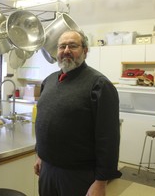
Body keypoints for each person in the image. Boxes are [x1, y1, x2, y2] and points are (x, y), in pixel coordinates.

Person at [34, 30, 122, 196]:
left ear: (85, 51)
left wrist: (101, 181)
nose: (66, 50)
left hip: (78, 175)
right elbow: (44, 122)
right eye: (62, 46)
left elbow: (108, 138)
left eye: (73, 46)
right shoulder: (49, 81)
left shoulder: (99, 85)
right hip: (47, 170)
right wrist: (40, 155)